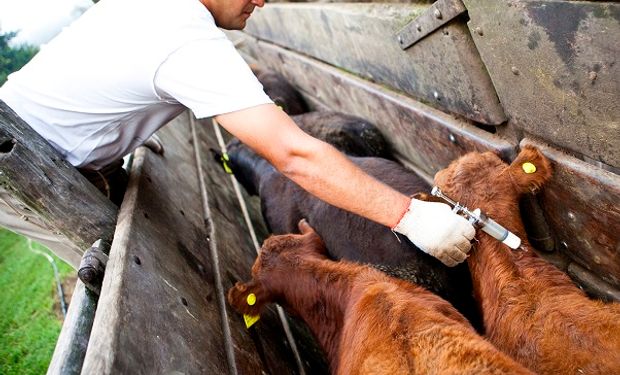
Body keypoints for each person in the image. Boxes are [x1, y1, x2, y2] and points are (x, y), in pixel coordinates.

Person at [0, 0, 475, 269]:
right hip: (23, 171)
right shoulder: (183, 38)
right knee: (110, 266)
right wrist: (410, 217)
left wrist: (116, 132)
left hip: (34, 126)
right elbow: (293, 155)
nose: (262, 1)